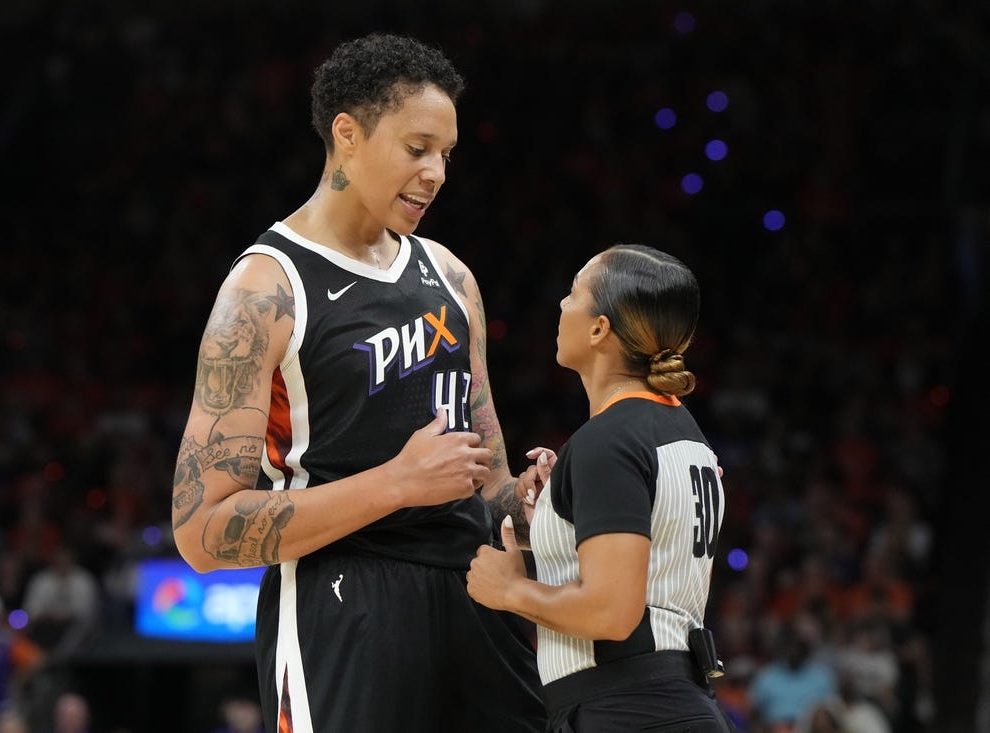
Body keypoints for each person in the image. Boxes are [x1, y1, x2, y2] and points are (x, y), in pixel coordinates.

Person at [170, 33, 543, 733]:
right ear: (347, 134)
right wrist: (396, 484)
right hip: (342, 600)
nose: (436, 172)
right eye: (416, 148)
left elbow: (485, 468)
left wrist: (525, 506)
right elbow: (200, 530)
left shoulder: (452, 277)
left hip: (473, 590)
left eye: (447, 154)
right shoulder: (263, 290)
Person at [466, 244, 738, 732]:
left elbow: (610, 612)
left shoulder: (607, 442)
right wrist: (556, 507)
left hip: (628, 710)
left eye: (574, 292)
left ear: (599, 329)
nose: (561, 305)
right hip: (668, 702)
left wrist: (511, 590)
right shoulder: (684, 434)